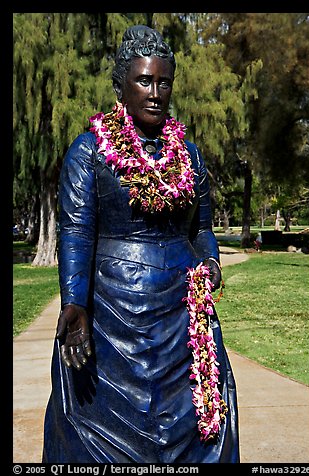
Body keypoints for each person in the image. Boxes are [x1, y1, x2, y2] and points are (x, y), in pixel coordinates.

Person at [42, 24, 240, 463]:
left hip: (182, 320)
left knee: (202, 428)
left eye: (164, 81)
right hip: (112, 319)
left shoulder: (187, 154)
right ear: (121, 85)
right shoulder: (89, 151)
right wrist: (74, 303)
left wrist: (211, 262)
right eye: (144, 80)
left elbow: (201, 228)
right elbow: (75, 231)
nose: (155, 92)